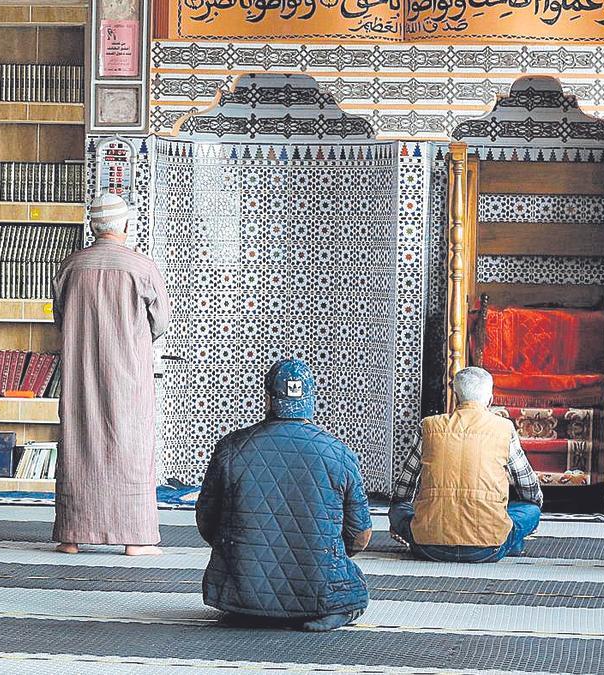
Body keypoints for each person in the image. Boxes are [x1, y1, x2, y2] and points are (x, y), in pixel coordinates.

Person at [195, 359, 372, 631]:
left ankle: (251, 612)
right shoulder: (339, 452)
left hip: (242, 591)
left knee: (240, 601)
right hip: (320, 590)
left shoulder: (230, 447)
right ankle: (317, 614)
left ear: (268, 398)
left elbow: (206, 520)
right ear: (311, 399)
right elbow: (360, 536)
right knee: (354, 592)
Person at [51, 193, 170, 556]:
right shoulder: (142, 268)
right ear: (127, 227)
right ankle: (135, 539)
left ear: (93, 226)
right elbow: (160, 324)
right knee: (129, 448)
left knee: (78, 445)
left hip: (79, 374)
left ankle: (71, 536)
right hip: (128, 378)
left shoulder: (71, 266)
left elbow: (59, 318)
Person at [388, 366, 543, 563]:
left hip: (428, 546)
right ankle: (511, 541)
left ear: (456, 396)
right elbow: (528, 488)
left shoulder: (428, 426)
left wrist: (400, 520)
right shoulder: (504, 428)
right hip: (488, 547)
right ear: (490, 399)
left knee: (398, 509)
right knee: (530, 510)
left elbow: (404, 489)